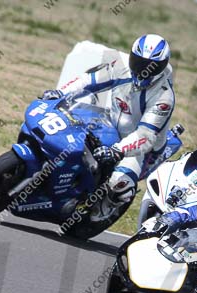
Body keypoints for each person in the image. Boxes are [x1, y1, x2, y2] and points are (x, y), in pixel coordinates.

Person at [42, 34, 175, 221]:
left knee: (119, 183)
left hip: (142, 147)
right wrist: (60, 92)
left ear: (161, 66)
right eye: (139, 62)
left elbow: (146, 136)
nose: (143, 70)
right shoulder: (121, 68)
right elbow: (89, 81)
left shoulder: (164, 97)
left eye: (150, 66)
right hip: (108, 122)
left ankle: (107, 206)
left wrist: (118, 150)